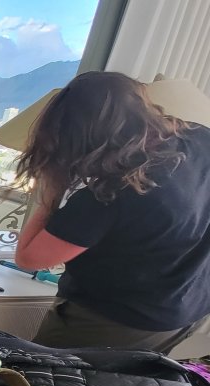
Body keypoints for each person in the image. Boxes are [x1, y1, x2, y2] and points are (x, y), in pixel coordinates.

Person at [14, 71, 210, 353]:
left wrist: (51, 193)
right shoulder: (200, 138)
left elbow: (29, 257)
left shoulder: (110, 193)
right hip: (186, 310)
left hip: (114, 320)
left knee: (40, 377)